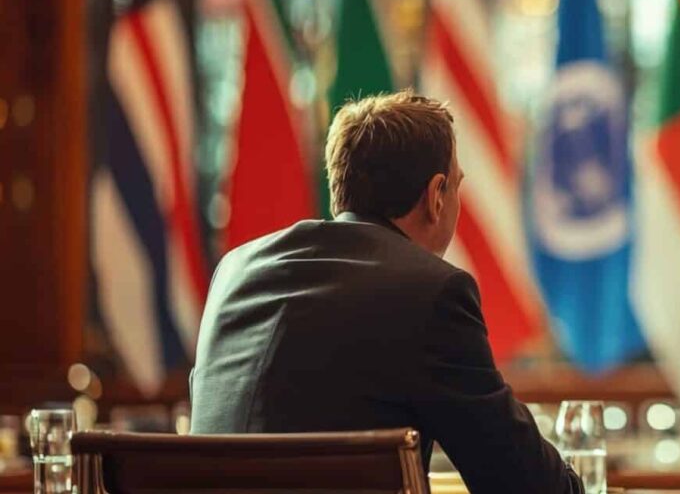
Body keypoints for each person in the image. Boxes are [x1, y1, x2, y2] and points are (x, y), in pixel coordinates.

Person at [190, 93, 581, 494]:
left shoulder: (234, 272)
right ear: (436, 195)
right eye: (458, 186)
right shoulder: (433, 293)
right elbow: (527, 483)